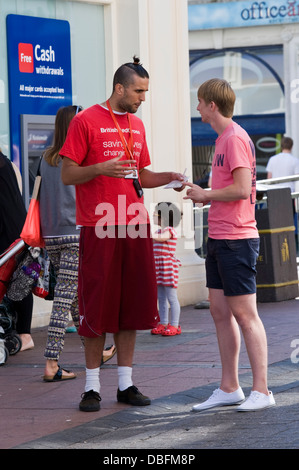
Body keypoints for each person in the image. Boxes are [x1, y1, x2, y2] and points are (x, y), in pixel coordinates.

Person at [60, 56, 185, 412]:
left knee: (131, 305)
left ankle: (126, 383)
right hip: (99, 226)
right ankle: (91, 387)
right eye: (138, 91)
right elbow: (68, 175)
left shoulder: (137, 126)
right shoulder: (85, 121)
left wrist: (169, 177)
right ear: (119, 88)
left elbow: (141, 176)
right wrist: (100, 168)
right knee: (97, 307)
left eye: (145, 91)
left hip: (134, 223)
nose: (142, 98)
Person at [184, 78, 275, 412]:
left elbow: (241, 189)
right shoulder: (223, 138)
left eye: (199, 102)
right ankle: (230, 387)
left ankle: (262, 391)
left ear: (212, 105)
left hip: (237, 239)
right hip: (220, 237)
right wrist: (202, 193)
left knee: (245, 315)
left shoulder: (234, 138)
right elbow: (230, 189)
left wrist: (205, 194)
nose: (196, 108)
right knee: (221, 312)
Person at [40, 106, 116, 382]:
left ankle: (94, 353)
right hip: (75, 233)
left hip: (51, 235)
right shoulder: (79, 157)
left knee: (72, 296)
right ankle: (51, 362)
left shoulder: (45, 158)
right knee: (64, 297)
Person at [0, 151, 34, 351]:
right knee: (16, 278)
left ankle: (25, 334)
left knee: (19, 279)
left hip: (13, 231)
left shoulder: (3, 163)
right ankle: (20, 331)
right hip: (13, 228)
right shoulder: (6, 162)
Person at [151, 202, 182, 336]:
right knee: (161, 297)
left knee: (171, 297)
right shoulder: (158, 231)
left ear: (162, 218)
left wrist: (148, 235)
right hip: (158, 267)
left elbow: (161, 238)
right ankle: (163, 322)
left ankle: (175, 324)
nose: (153, 216)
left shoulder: (169, 230)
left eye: (155, 214)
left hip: (167, 266)